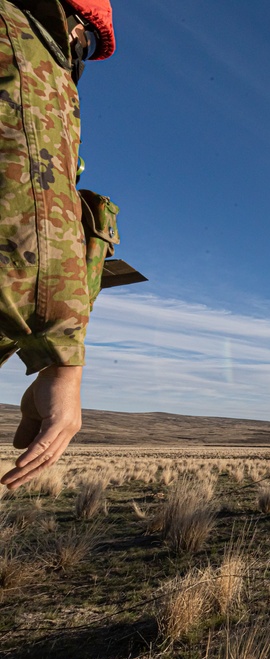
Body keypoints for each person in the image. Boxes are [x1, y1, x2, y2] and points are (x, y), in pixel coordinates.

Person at [0, 0, 117, 490]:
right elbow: (34, 218)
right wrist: (61, 364)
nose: (79, 62)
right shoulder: (22, 41)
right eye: (88, 45)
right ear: (72, 28)